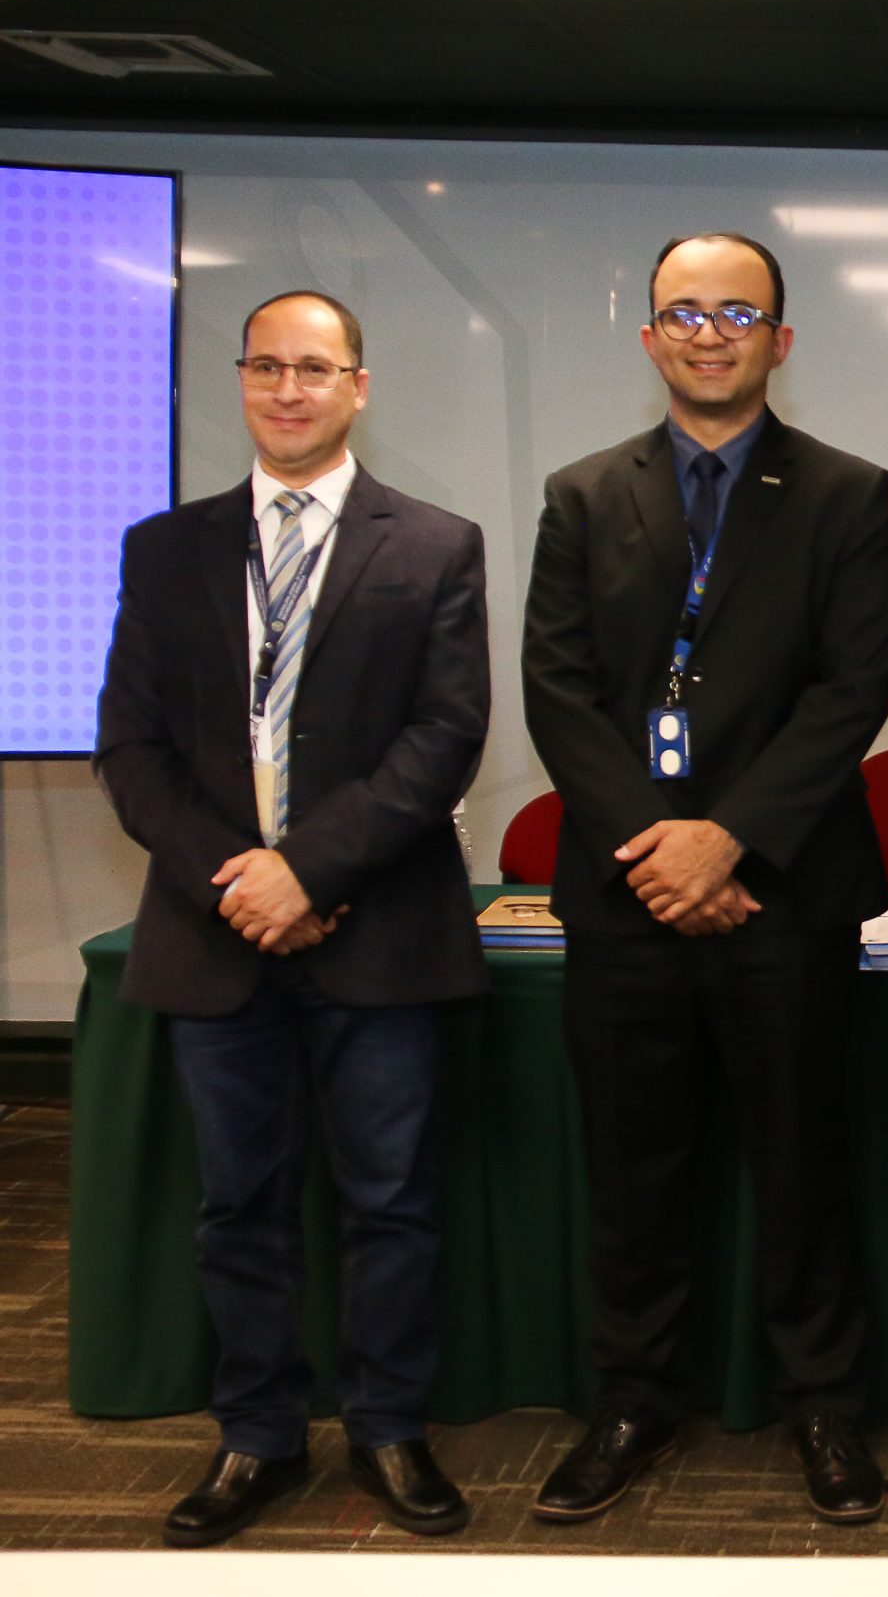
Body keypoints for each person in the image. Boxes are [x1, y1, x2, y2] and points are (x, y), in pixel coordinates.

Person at [95, 291, 490, 1546]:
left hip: (379, 930)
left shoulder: (435, 544)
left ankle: (390, 1427)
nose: (288, 389)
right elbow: (132, 749)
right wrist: (242, 880)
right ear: (241, 381)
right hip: (215, 935)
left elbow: (445, 736)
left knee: (392, 1202)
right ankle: (256, 1435)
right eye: (266, 366)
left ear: (357, 386)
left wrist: (307, 873)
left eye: (314, 368)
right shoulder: (165, 549)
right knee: (238, 1205)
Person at [520, 232, 888, 1524]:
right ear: (649, 337)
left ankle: (823, 1405)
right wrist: (660, 848)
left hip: (785, 895)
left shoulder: (846, 493)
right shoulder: (583, 495)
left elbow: (851, 686)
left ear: (779, 339)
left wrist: (728, 839)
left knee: (804, 1167)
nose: (710, 331)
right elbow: (559, 689)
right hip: (628, 898)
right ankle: (632, 1401)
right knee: (635, 1173)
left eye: (738, 312)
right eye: (685, 311)